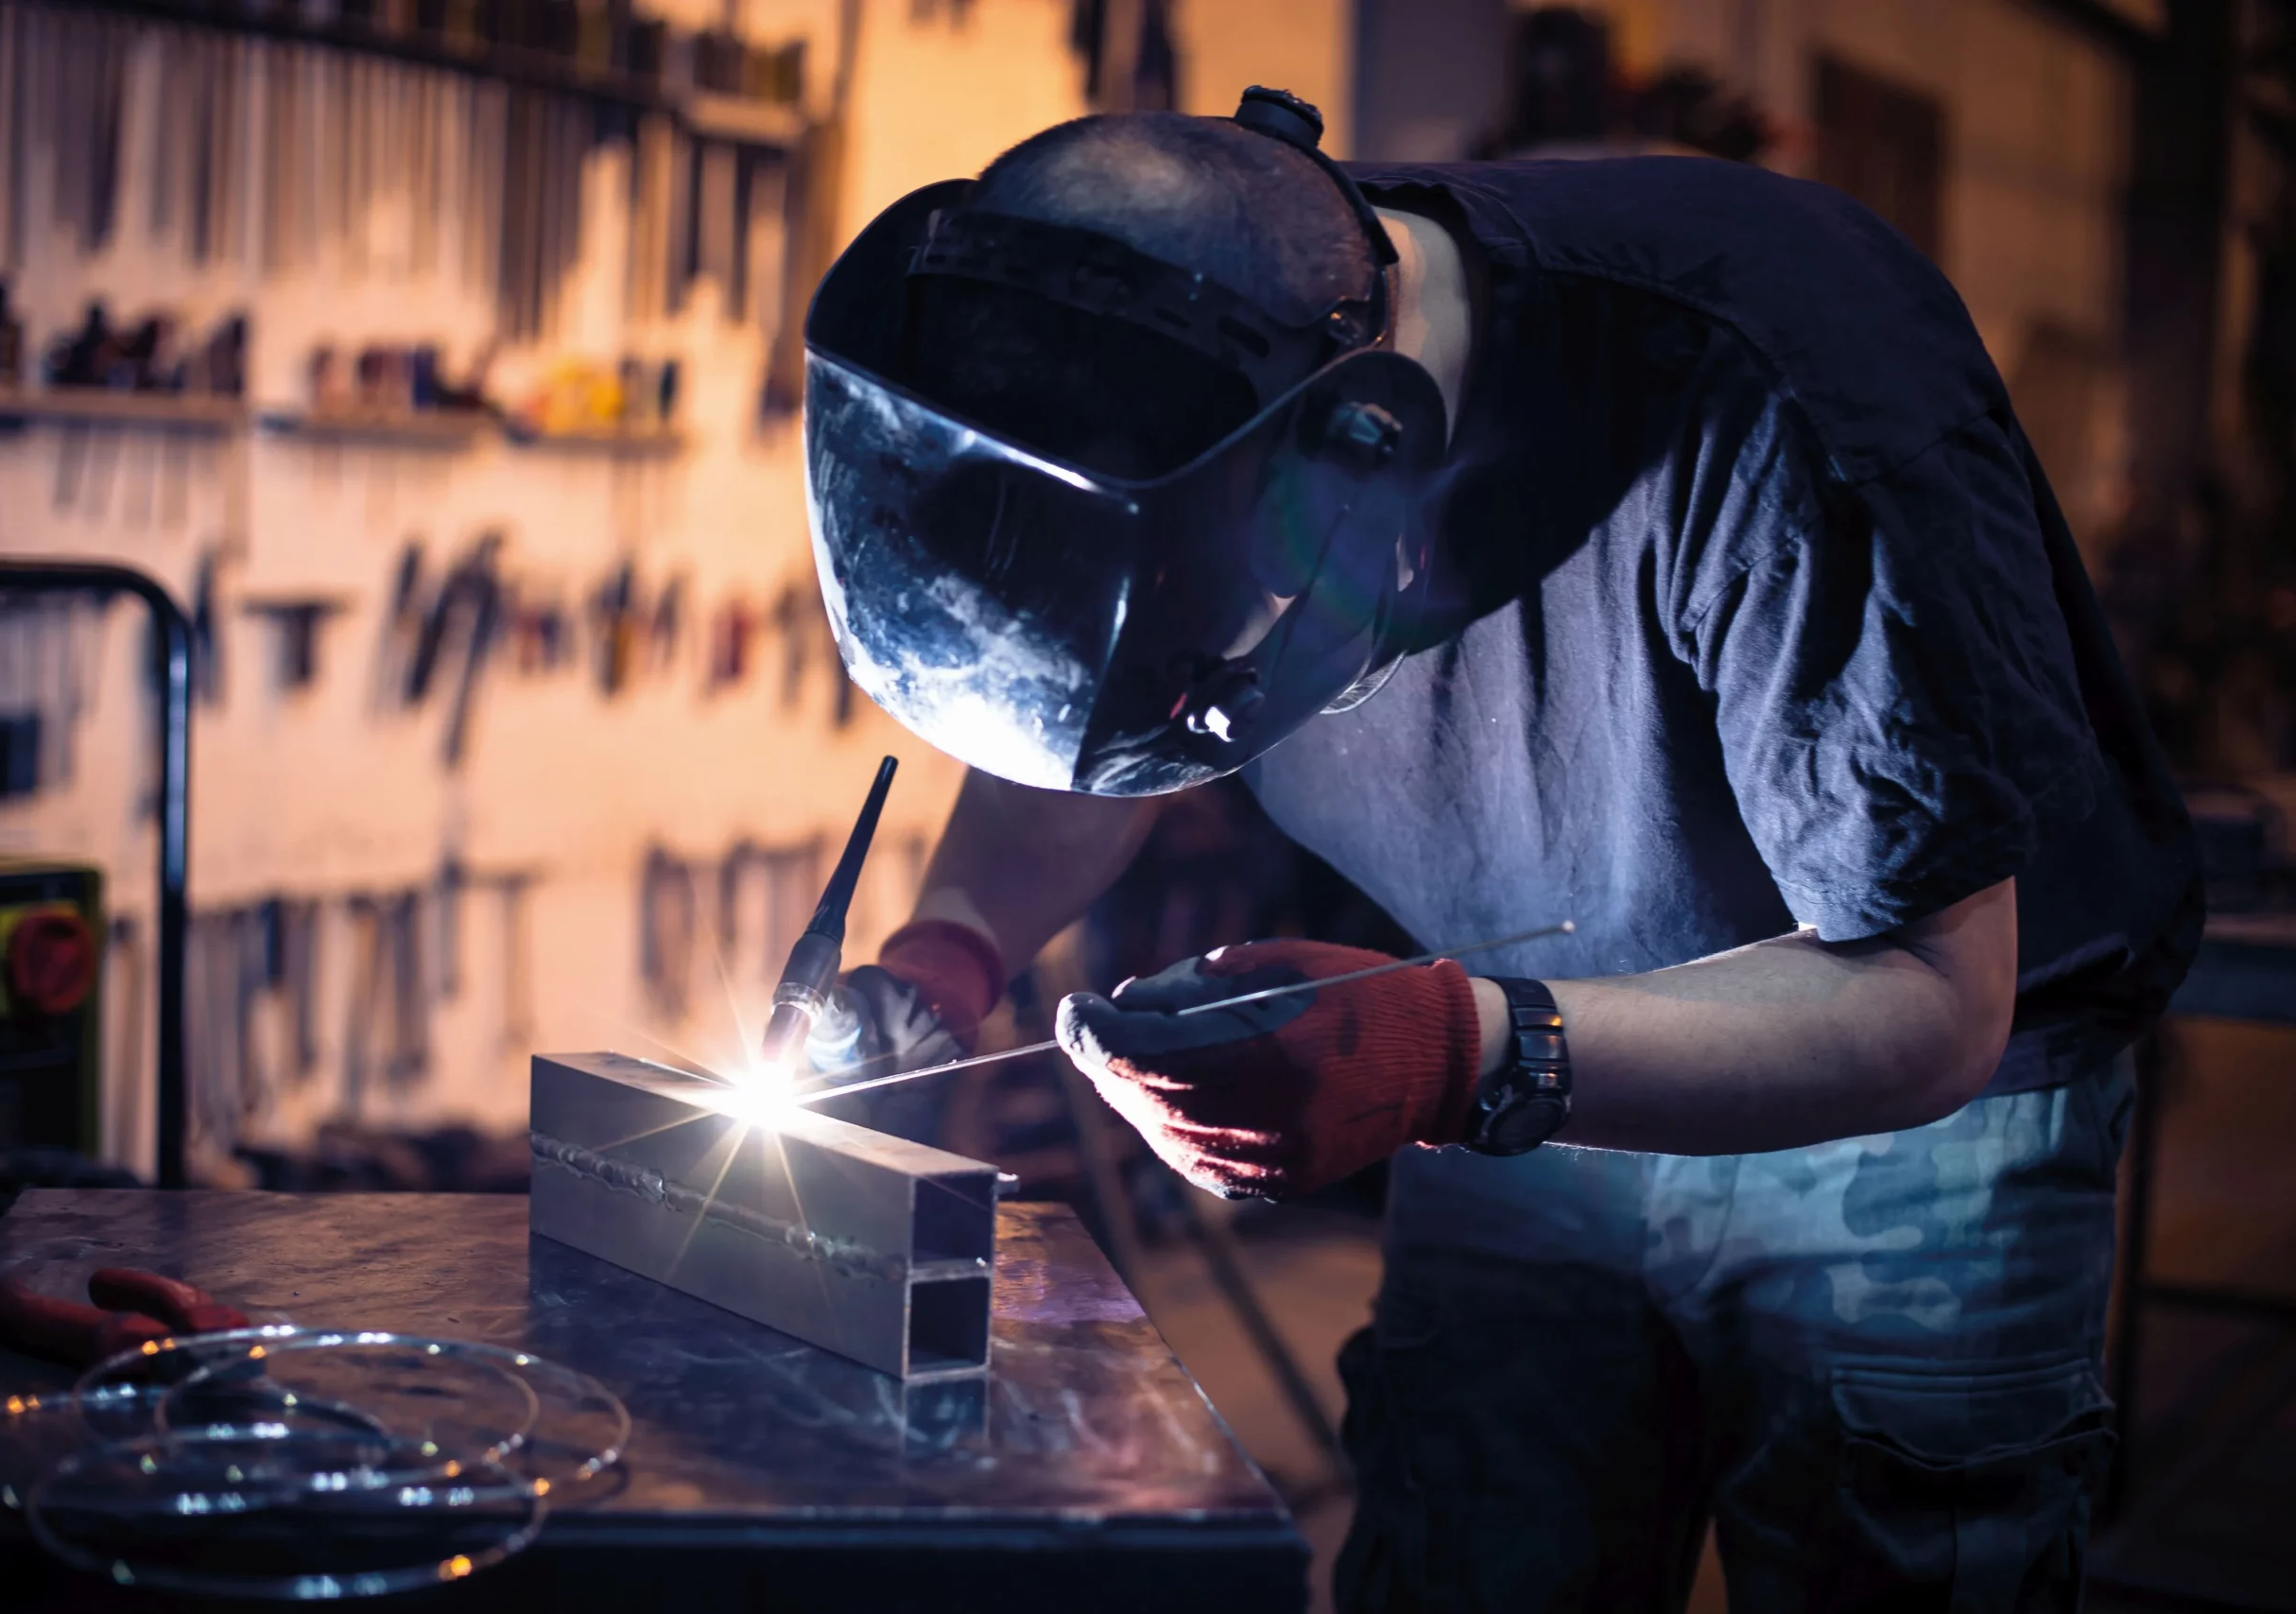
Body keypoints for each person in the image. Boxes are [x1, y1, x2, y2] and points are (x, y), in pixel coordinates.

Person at [797, 87, 2201, 1611]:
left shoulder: (1780, 396)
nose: (1196, 727)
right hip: (1505, 1037)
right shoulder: (1168, 365)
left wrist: (1451, 1052)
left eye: (1210, 694)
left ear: (1368, 457)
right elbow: (1091, 730)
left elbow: (1936, 988)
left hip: (1914, 1095)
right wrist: (946, 954)